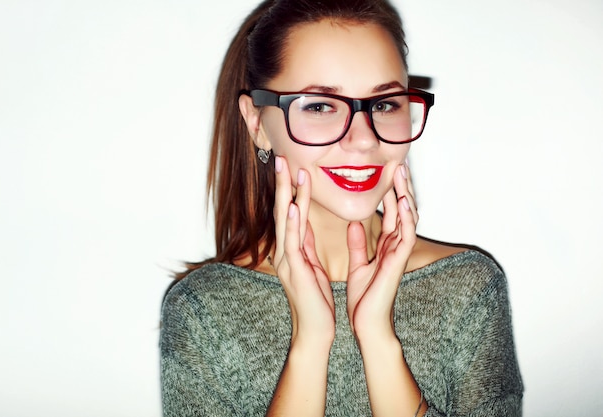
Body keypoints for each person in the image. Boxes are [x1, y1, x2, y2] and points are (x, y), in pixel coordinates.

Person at [160, 0, 523, 415]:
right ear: (257, 123)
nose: (364, 139)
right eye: (319, 106)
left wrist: (378, 340)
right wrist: (310, 343)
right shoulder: (203, 311)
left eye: (385, 104)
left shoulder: (470, 288)